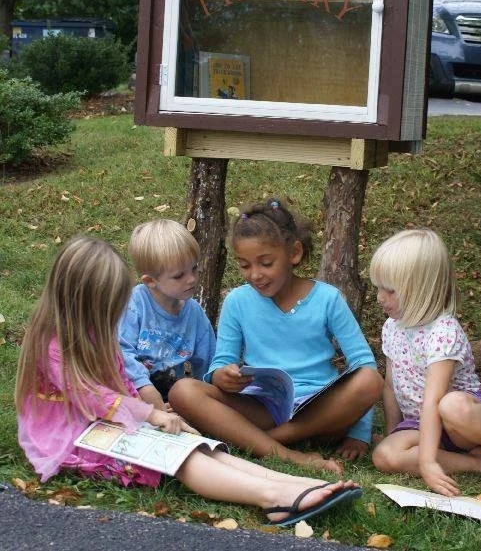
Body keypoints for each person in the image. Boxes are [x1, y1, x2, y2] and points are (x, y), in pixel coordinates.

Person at [14, 235, 362, 526]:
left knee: (197, 445)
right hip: (74, 435)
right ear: (82, 301)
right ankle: (273, 498)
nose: (116, 313)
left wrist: (160, 416)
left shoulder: (98, 330)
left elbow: (121, 380)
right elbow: (93, 397)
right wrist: (151, 415)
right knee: (179, 460)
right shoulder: (51, 343)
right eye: (109, 305)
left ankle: (292, 482)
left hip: (112, 421)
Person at [169, 198, 383, 470]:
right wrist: (225, 377)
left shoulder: (328, 299)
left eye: (266, 263)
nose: (255, 274)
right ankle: (288, 454)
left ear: (294, 253)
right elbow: (221, 364)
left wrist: (359, 433)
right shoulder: (237, 301)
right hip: (263, 405)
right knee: (183, 391)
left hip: (322, 413)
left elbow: (363, 363)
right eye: (245, 265)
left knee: (370, 379)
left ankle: (268, 442)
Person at [369, 228, 481, 497]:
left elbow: (434, 400)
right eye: (378, 287)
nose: (380, 297)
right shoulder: (391, 328)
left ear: (420, 289)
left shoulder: (443, 331)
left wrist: (427, 462)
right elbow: (391, 388)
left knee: (451, 405)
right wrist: (393, 432)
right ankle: (476, 463)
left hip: (462, 422)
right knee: (385, 455)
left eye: (389, 290)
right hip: (423, 425)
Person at [119, 219, 215, 410]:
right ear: (150, 281)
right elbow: (120, 352)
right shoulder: (135, 304)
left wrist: (206, 396)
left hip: (171, 399)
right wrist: (144, 387)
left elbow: (209, 361)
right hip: (131, 392)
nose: (192, 279)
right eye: (179, 276)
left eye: (194, 268)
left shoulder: (194, 313)